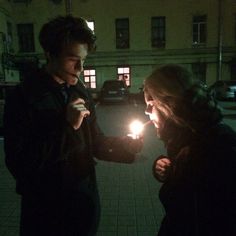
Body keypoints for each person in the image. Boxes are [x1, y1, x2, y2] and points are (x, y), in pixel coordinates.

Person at [3, 15, 142, 236]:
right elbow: (20, 164)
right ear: (49, 55)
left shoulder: (80, 90)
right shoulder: (23, 97)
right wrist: (66, 126)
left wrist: (126, 145)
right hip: (46, 213)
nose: (80, 68)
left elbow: (96, 141)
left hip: (84, 205)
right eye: (72, 59)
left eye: (84, 60)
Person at [143, 64, 236, 236]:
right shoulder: (188, 139)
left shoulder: (216, 148)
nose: (146, 111)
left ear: (169, 104)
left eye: (151, 104)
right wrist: (167, 168)